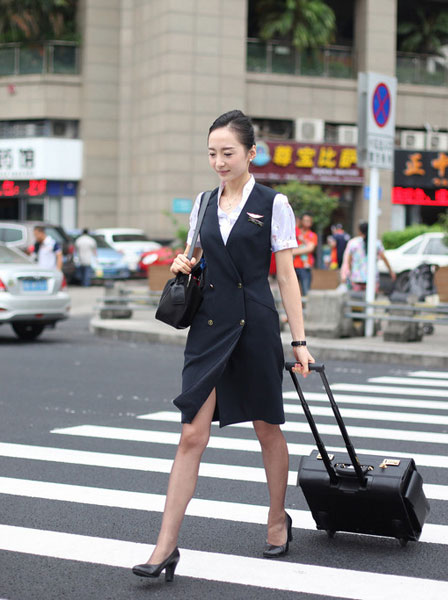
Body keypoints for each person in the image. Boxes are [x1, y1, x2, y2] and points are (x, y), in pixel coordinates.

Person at [133, 110, 314, 582]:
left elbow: (287, 276)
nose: (219, 161)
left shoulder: (274, 204)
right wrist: (182, 264)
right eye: (212, 153)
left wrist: (299, 341)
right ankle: (164, 546)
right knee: (192, 433)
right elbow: (194, 257)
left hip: (254, 324)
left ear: (251, 153)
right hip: (209, 327)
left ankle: (278, 520)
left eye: (228, 153)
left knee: (267, 428)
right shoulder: (203, 203)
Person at [340, 222, 396, 293]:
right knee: (371, 300)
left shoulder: (353, 243)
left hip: (356, 277)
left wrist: (349, 272)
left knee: (357, 300)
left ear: (359, 231)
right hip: (372, 277)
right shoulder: (376, 243)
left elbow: (349, 260)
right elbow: (384, 258)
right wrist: (391, 271)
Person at [292, 213, 317, 295]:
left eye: (309, 221)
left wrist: (293, 252)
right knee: (292, 292)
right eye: (305, 220)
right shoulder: (295, 232)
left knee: (306, 292)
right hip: (292, 266)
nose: (307, 222)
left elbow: (310, 249)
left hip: (305, 267)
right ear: (301, 221)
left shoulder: (312, 235)